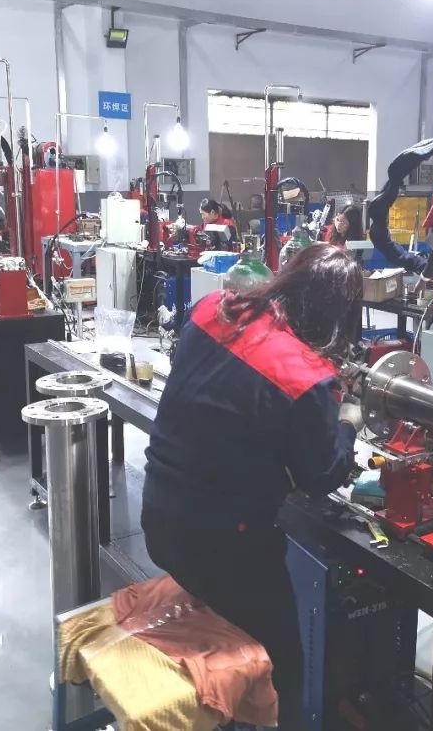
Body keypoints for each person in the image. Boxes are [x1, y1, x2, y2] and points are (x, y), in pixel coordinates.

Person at [143, 242, 364, 730]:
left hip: (157, 517)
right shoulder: (305, 376)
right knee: (285, 663)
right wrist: (348, 422)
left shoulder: (212, 308)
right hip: (222, 550)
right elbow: (321, 476)